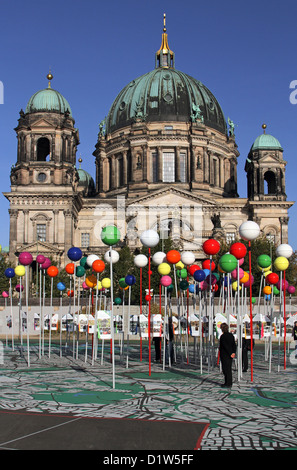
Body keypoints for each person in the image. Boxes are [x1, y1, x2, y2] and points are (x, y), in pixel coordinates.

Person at [219, 323, 236, 388]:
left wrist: (230, 353)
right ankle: (229, 382)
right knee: (228, 368)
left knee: (225, 369)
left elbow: (225, 346)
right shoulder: (231, 335)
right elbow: (234, 344)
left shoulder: (223, 336)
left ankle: (227, 383)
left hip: (225, 354)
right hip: (230, 354)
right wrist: (233, 352)